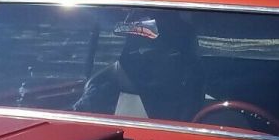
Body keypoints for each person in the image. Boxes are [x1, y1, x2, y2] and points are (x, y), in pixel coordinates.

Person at [73, 12, 205, 122]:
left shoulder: (196, 92)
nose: (148, 61)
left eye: (166, 51)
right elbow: (78, 125)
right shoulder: (102, 88)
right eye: (141, 50)